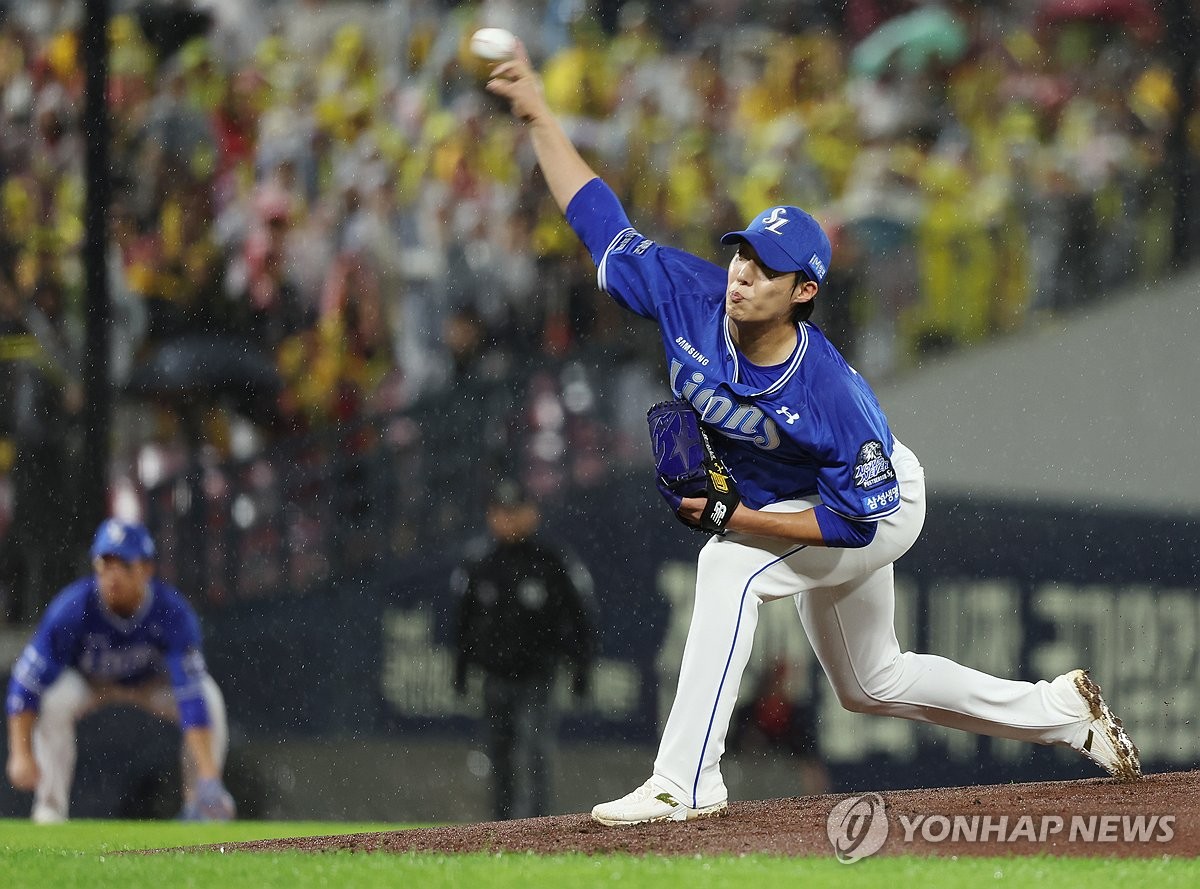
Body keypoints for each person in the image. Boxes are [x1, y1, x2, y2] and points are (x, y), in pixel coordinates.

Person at [482, 42, 1141, 827]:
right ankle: (1063, 711)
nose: (741, 272)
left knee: (729, 568)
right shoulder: (689, 297)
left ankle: (686, 779)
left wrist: (735, 522)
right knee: (871, 682)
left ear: (804, 290)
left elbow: (852, 520)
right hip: (804, 498)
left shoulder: (830, 391)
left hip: (875, 500)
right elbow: (597, 216)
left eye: (765, 267)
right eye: (741, 254)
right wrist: (539, 116)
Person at [5, 519, 235, 823]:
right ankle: (49, 809)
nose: (112, 575)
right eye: (104, 564)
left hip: (149, 685)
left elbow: (191, 696)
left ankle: (202, 805)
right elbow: (26, 683)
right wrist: (20, 753)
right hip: (90, 683)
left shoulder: (172, 612)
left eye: (123, 564)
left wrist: (209, 775)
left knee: (209, 695)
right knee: (55, 701)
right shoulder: (73, 607)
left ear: (146, 570)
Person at [452, 478, 596, 820]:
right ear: (490, 516)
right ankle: (501, 829)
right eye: (501, 512)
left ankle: (536, 829)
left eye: (515, 511)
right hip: (495, 677)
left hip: (537, 676)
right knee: (498, 758)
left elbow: (579, 616)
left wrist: (580, 667)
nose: (508, 519)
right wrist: (460, 669)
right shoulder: (480, 564)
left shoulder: (551, 562)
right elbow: (463, 622)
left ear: (533, 514)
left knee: (533, 756)